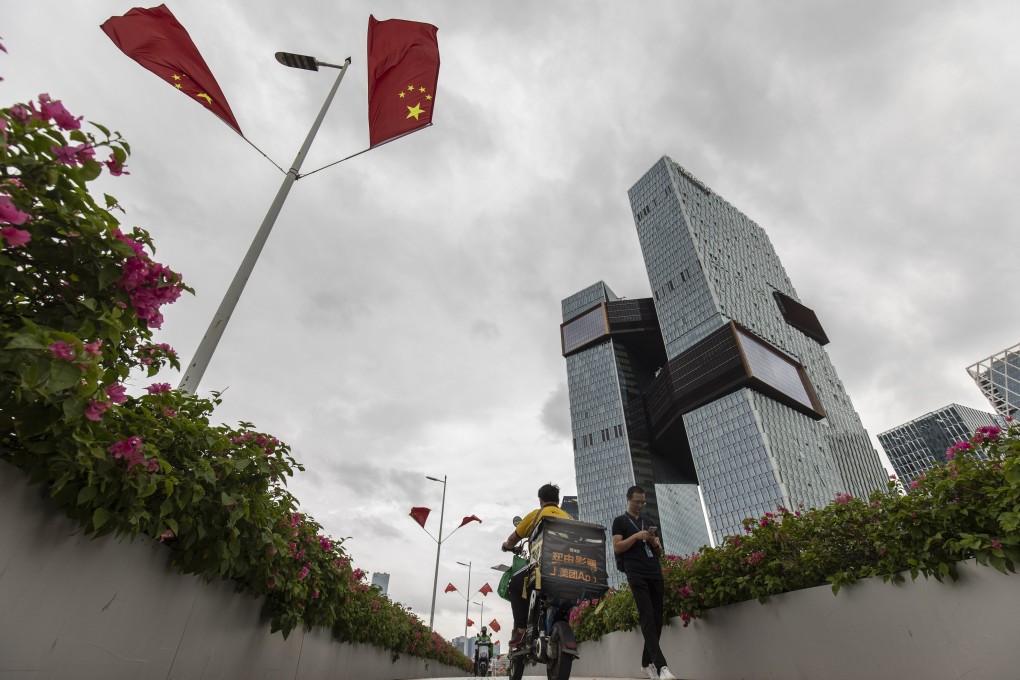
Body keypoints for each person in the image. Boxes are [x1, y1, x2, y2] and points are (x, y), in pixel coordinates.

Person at [612, 485, 676, 680]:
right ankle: (662, 666)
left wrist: (655, 543)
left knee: (657, 619)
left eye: (643, 502)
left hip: (654, 571)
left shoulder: (648, 521)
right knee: (647, 616)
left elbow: (660, 552)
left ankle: (645, 663)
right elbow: (617, 547)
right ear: (628, 500)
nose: (640, 505)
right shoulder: (620, 521)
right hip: (635, 572)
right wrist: (636, 536)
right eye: (636, 502)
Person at [500, 482, 572, 648]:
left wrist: (506, 546)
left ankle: (521, 629)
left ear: (540, 500)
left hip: (542, 568)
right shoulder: (568, 517)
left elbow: (513, 538)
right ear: (558, 500)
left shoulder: (536, 514)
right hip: (567, 569)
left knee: (515, 584)